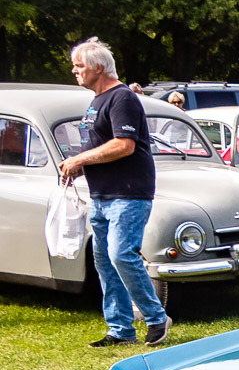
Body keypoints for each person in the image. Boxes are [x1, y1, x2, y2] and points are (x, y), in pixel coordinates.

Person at [57, 38, 170, 347]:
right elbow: (101, 144)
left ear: (98, 67)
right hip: (101, 196)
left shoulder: (123, 98)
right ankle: (120, 330)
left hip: (128, 194)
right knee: (105, 263)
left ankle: (156, 318)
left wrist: (80, 159)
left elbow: (124, 145)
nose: (74, 71)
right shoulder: (97, 100)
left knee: (121, 254)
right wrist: (81, 165)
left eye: (79, 65)